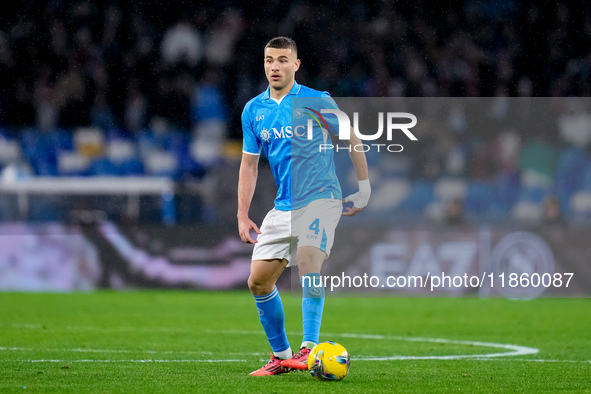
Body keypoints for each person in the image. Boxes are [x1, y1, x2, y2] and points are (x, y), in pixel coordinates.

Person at [237, 36, 370, 376]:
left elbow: (352, 138)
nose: (275, 66)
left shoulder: (316, 100)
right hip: (283, 207)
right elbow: (250, 165)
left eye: (282, 60)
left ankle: (309, 349)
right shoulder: (254, 110)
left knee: (309, 260)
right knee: (259, 282)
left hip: (322, 198)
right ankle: (281, 357)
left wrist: (364, 187)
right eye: (269, 60)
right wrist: (242, 213)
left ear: (296, 65)